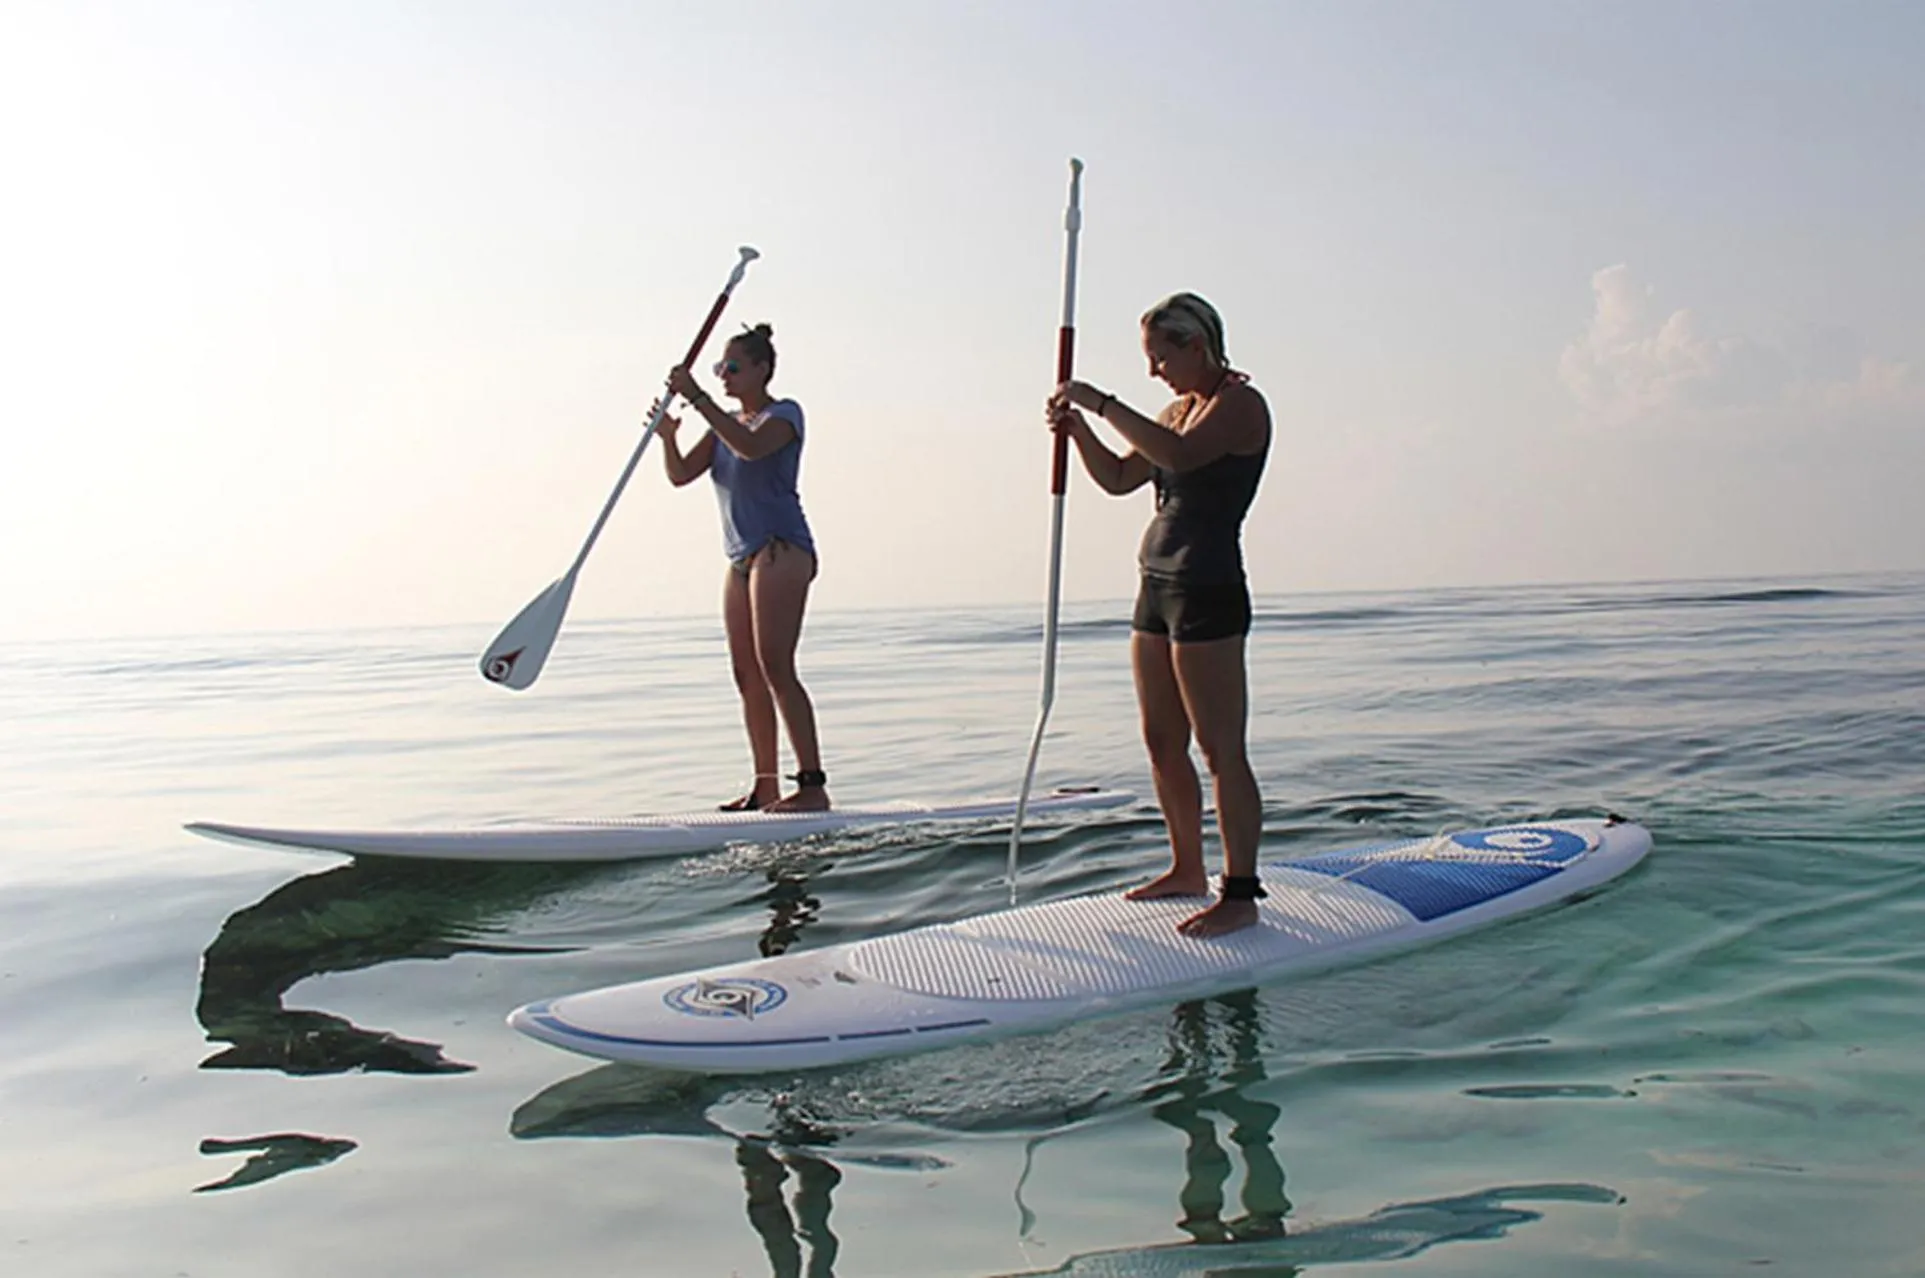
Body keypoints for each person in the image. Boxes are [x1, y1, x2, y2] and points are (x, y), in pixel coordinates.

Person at [1048, 292, 1270, 936]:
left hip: (1208, 588)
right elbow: (1121, 478)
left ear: (1195, 345)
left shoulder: (1241, 405)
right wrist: (1078, 431)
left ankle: (1240, 892)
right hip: (1155, 586)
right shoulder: (1177, 410)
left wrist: (1101, 402)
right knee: (1161, 741)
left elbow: (1178, 456)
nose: (1153, 372)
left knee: (1220, 749)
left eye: (1160, 357)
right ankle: (1186, 868)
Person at [656, 323, 829, 813]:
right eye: (719, 368)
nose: (724, 376)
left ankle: (813, 786)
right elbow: (680, 475)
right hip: (739, 559)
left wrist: (698, 397)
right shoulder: (723, 424)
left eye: (732, 368)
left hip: (781, 549)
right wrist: (668, 438)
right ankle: (765, 785)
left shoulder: (785, 414)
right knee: (746, 673)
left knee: (776, 665)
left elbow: (750, 447)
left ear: (762, 370)